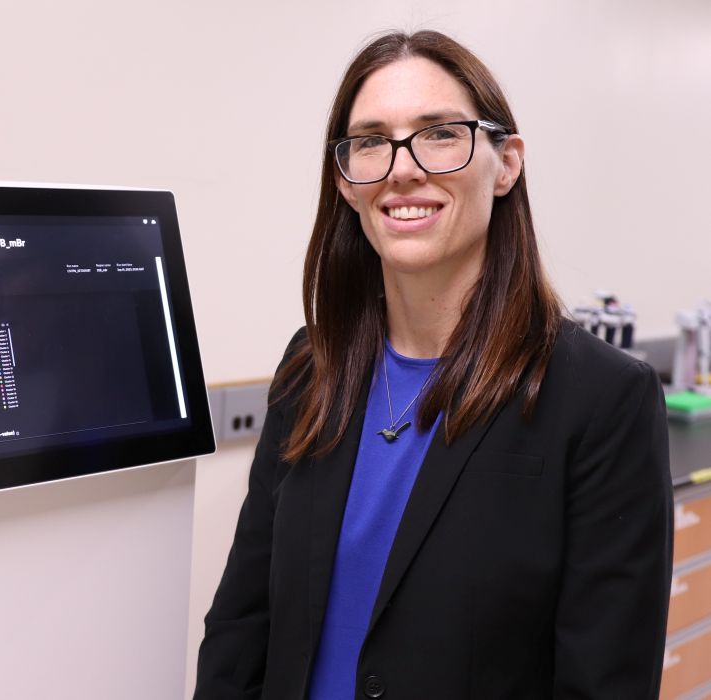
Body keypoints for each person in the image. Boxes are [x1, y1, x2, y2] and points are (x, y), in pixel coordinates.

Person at [194, 30, 672, 700]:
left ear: (506, 164)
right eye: (370, 140)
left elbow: (605, 684)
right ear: (345, 178)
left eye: (439, 133)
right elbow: (243, 623)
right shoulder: (311, 368)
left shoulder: (600, 401)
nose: (401, 168)